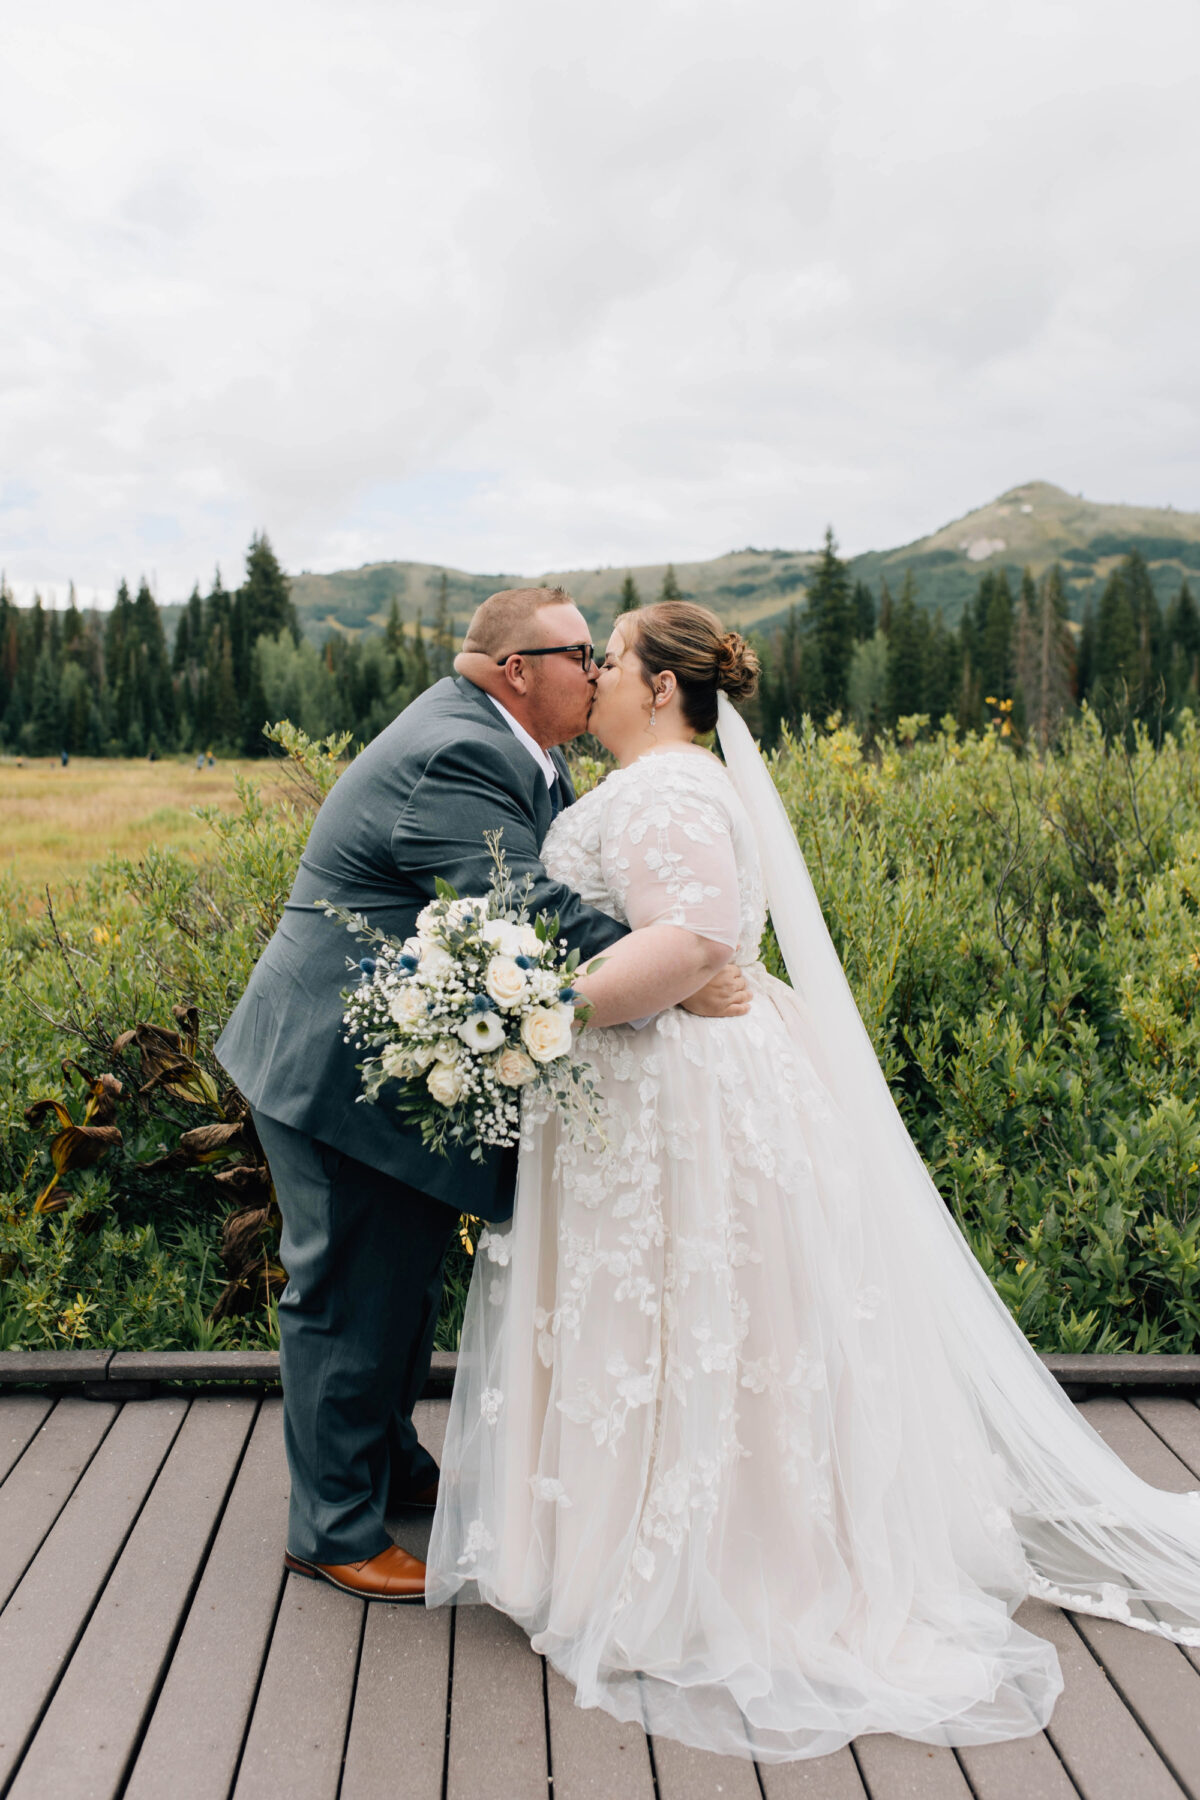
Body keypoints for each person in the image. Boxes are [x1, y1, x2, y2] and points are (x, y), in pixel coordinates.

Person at [427, 600, 1200, 1763]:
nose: (596, 676)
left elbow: (688, 943)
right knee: (665, 1321)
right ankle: (615, 1538)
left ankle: (707, 1566)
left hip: (678, 1096)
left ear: (665, 688)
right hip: (652, 1090)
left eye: (616, 659)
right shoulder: (655, 786)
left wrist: (528, 1014)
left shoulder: (673, 787)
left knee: (690, 1317)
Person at [216, 587, 747, 1603]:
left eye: (605, 657)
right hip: (338, 1069)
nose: (596, 673)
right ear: (519, 669)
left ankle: (387, 1464)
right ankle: (331, 1527)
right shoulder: (459, 751)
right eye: (581, 655)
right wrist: (674, 969)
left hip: (391, 1067)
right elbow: (521, 907)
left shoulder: (506, 744)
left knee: (401, 1279)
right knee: (345, 1293)